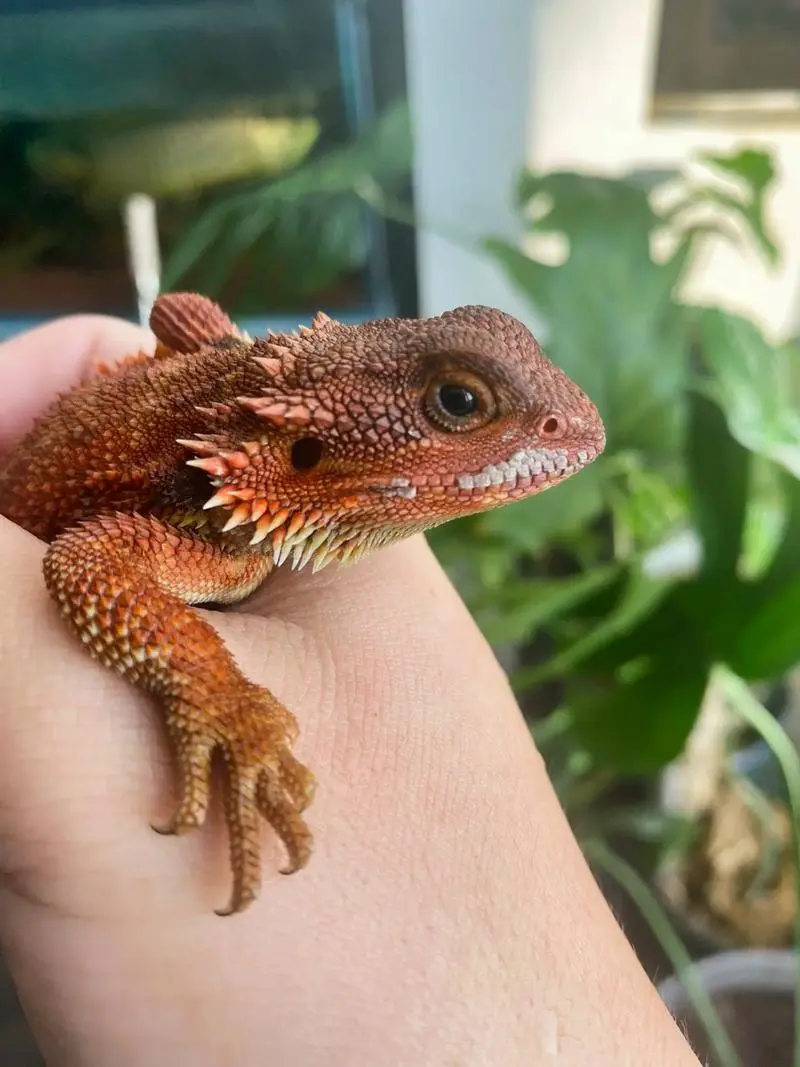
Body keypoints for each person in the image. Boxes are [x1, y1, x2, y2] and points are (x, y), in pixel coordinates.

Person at [0, 313, 701, 1065]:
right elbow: (86, 565)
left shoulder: (264, 482)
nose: (565, 421)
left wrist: (228, 355)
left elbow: (180, 312)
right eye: (460, 405)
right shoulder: (209, 543)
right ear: (305, 447)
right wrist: (220, 698)